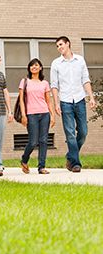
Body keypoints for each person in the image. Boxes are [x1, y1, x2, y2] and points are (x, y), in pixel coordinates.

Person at [50, 36, 96, 173]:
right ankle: (75, 164)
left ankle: (70, 155)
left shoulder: (80, 60)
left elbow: (85, 80)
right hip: (65, 101)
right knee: (70, 133)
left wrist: (91, 97)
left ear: (68, 44)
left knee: (83, 132)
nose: (59, 48)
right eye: (57, 46)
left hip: (80, 99)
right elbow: (54, 85)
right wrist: (56, 103)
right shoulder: (56, 63)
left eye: (61, 44)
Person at [19, 58, 55, 174]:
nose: (34, 67)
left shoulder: (44, 83)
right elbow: (21, 101)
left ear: (40, 68)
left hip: (44, 114)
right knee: (33, 141)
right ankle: (24, 159)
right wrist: (24, 115)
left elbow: (48, 101)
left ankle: (41, 167)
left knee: (44, 141)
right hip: (31, 115)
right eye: (31, 66)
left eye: (36, 65)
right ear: (29, 68)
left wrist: (52, 115)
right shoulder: (24, 82)